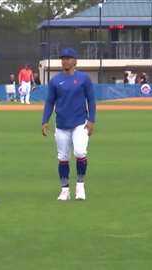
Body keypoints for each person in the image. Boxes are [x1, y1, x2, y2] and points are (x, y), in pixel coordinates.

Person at [42, 48, 96, 201]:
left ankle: (80, 186)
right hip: (61, 125)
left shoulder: (83, 79)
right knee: (63, 157)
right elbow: (49, 102)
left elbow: (91, 100)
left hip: (80, 123)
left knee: (80, 152)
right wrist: (45, 120)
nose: (65, 61)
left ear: (75, 61)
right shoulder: (55, 81)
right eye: (63, 58)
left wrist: (91, 120)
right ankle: (65, 189)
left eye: (68, 58)